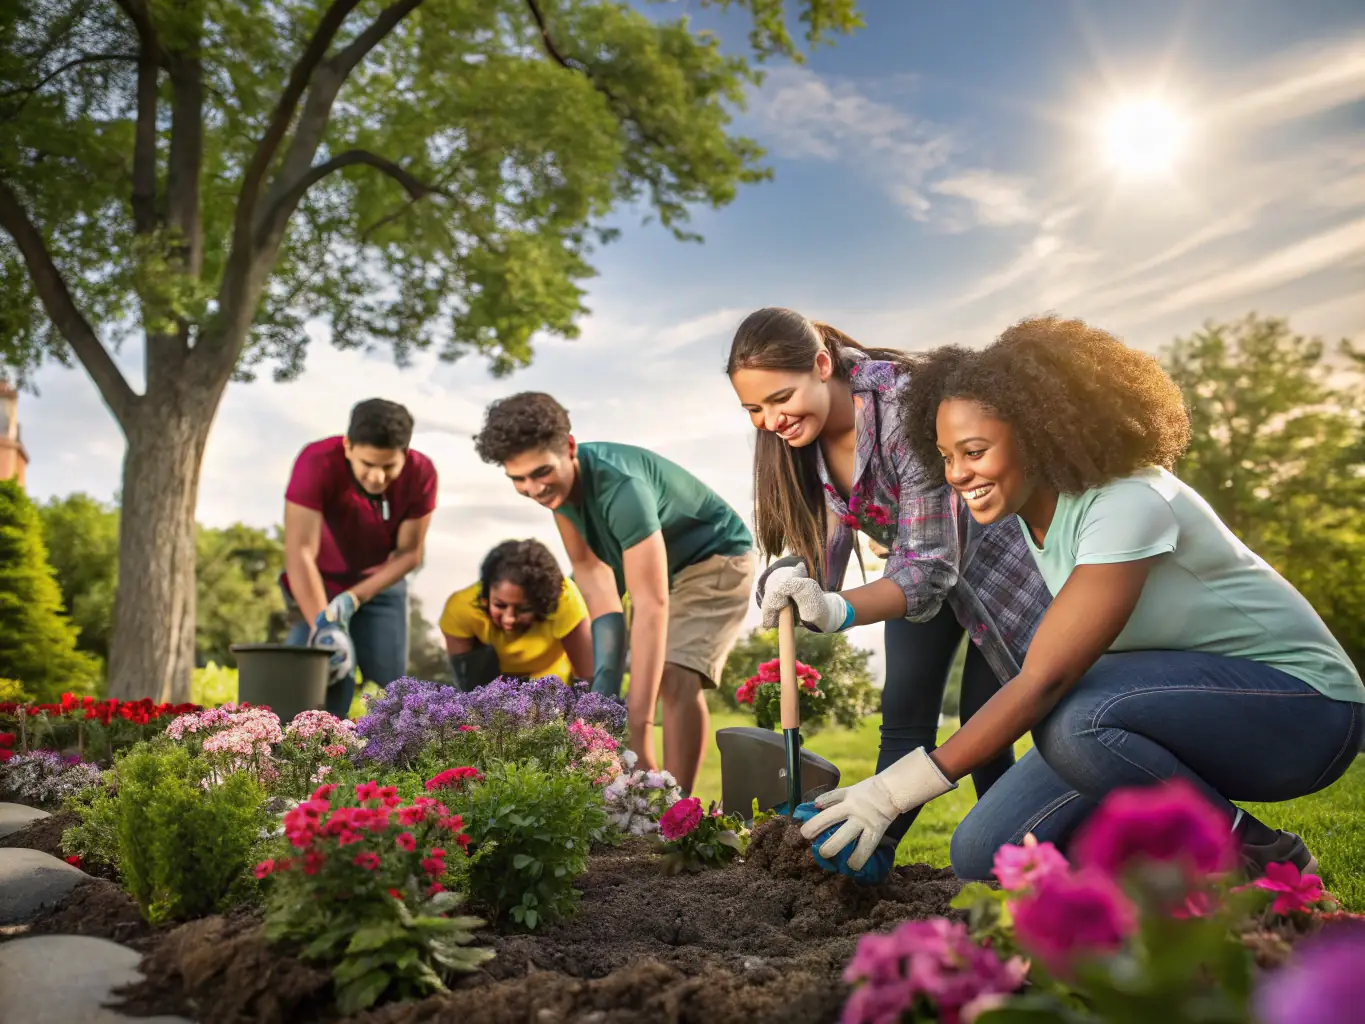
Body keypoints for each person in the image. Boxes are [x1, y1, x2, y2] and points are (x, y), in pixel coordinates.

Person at [800, 315, 1365, 879]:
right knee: (988, 855)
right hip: (1174, 712)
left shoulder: (1128, 503)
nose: (957, 474)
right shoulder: (1032, 518)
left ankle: (1259, 856)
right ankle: (1142, 890)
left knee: (1074, 716)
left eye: (974, 451)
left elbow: (1043, 678)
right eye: (946, 456)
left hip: (1306, 714)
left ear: (1034, 435)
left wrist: (893, 791)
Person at [727, 307, 1054, 884]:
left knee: (986, 724)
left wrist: (837, 608)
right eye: (754, 409)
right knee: (903, 717)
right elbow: (825, 543)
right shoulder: (805, 441)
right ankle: (865, 858)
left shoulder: (905, 408)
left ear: (822, 365)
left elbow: (930, 566)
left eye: (780, 398)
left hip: (999, 576)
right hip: (915, 574)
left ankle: (1024, 869)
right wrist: (789, 577)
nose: (770, 419)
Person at [472, 392, 755, 794]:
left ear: (569, 448)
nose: (532, 489)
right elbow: (597, 588)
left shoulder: (621, 490)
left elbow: (650, 604)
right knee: (625, 686)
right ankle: (644, 796)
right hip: (658, 571)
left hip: (713, 557)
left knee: (675, 673)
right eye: (517, 479)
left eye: (540, 472)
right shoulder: (559, 497)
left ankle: (677, 811)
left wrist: (637, 728)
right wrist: (601, 703)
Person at [281, 398, 437, 718]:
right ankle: (316, 756)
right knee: (317, 678)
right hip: (318, 581)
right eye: (368, 464)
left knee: (392, 688)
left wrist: (354, 598)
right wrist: (326, 626)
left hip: (381, 585)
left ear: (405, 455)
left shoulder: (422, 474)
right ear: (348, 446)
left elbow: (409, 554)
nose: (377, 477)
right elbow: (300, 553)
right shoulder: (316, 462)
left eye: (388, 466)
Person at [439, 538, 594, 690]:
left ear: (542, 603)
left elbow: (586, 677)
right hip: (493, 681)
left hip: (552, 682)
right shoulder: (461, 609)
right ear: (486, 595)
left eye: (525, 609)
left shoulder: (564, 600)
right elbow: (468, 685)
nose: (509, 619)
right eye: (500, 605)